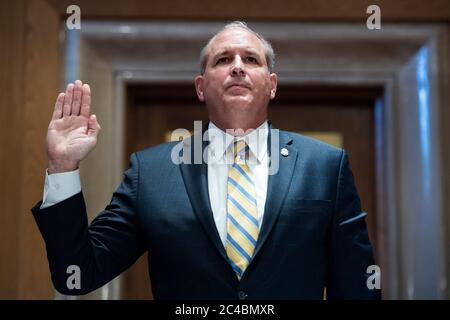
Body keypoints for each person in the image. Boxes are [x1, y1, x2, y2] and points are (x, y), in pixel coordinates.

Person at [32, 21, 380, 300]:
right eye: (223, 59)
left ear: (272, 85)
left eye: (251, 59)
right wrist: (63, 166)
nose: (238, 68)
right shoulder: (152, 173)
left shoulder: (324, 165)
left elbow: (356, 288)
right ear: (201, 86)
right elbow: (75, 275)